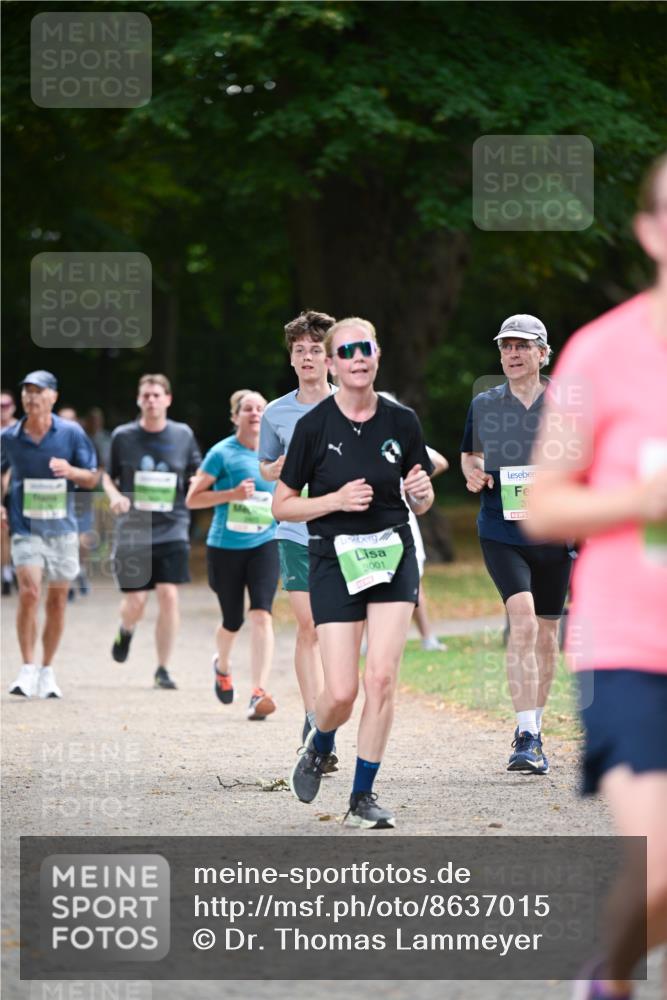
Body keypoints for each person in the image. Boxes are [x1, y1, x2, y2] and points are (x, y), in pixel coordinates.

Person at [526, 154, 667, 1000]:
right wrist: (640, 498)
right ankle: (607, 980)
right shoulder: (593, 354)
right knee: (657, 872)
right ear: (650, 232)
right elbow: (541, 505)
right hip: (631, 648)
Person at [274, 317, 434, 829]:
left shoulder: (403, 421)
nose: (357, 358)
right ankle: (319, 741)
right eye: (346, 352)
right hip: (333, 558)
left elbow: (418, 490)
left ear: (378, 354)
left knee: (381, 678)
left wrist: (424, 496)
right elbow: (282, 506)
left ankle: (362, 797)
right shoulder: (313, 426)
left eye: (365, 348)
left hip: (392, 553)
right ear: (333, 362)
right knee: (340, 692)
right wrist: (334, 501)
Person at [460, 314, 573, 774]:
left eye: (522, 346)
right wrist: (472, 471)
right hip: (502, 530)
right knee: (522, 620)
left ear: (542, 354)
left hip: (554, 532)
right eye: (506, 346)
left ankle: (537, 731)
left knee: (547, 633)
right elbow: (470, 455)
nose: (512, 353)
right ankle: (524, 732)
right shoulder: (486, 403)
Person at [259, 309, 337, 746]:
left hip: (343, 532)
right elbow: (266, 469)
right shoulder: (276, 413)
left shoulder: (351, 402)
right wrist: (280, 466)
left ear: (329, 359)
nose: (307, 358)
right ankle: (312, 717)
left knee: (334, 629)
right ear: (291, 359)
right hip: (294, 533)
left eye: (315, 350)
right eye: (300, 351)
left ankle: (332, 703)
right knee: (308, 627)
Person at [1, 371, 98, 698]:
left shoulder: (70, 433)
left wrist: (70, 471)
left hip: (62, 529)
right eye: (27, 392)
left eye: (38, 392)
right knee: (29, 591)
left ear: (53, 397)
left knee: (57, 601)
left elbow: (92, 477)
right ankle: (27, 668)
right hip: (25, 526)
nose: (31, 398)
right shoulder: (10, 436)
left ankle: (46, 669)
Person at [102, 374, 201, 690]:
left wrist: (199, 485)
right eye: (145, 395)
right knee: (136, 602)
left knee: (169, 595)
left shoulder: (183, 434)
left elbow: (196, 472)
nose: (151, 400)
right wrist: (115, 496)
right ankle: (126, 630)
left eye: (157, 395)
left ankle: (163, 668)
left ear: (168, 399)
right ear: (138, 400)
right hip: (134, 527)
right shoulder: (123, 436)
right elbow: (106, 475)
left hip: (173, 526)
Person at [186, 390, 279, 720]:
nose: (254, 414)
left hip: (266, 544)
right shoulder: (221, 454)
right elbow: (192, 499)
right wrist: (232, 494)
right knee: (233, 619)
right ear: (235, 416)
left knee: (262, 614)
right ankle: (222, 666)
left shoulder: (277, 452)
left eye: (260, 409)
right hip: (225, 547)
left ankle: (258, 692)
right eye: (248, 409)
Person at [57, 406, 94, 600]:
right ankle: (69, 583)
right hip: (59, 498)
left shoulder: (84, 442)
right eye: (63, 419)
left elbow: (97, 471)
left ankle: (81, 570)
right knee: (66, 540)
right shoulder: (50, 443)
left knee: (82, 540)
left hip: (83, 497)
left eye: (71, 419)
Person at [1, 389, 18, 595]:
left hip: (16, 487)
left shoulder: (19, 429)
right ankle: (6, 573)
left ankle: (13, 567)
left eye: (5, 405)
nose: (2, 410)